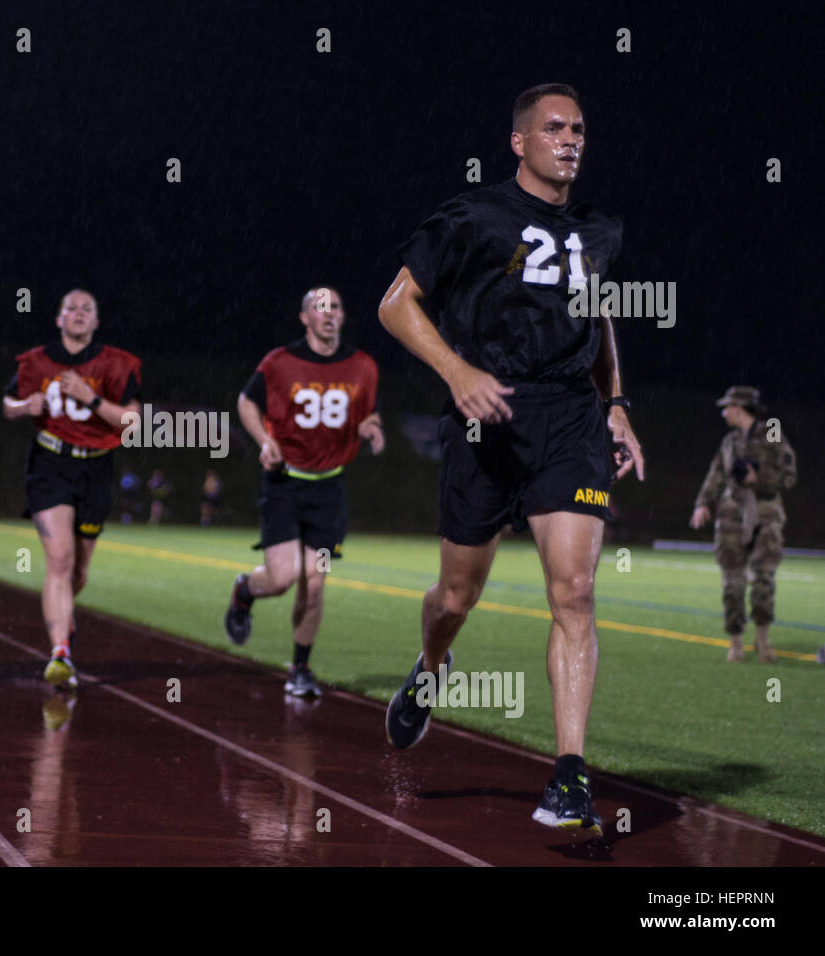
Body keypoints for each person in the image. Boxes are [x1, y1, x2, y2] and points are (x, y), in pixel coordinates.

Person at [377, 84, 643, 835]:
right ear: (520, 142)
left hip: (568, 417)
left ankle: (568, 779)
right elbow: (396, 304)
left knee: (576, 590)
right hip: (486, 414)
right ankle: (431, 667)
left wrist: (616, 405)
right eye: (554, 128)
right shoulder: (474, 215)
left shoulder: (598, 229)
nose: (571, 140)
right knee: (455, 601)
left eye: (580, 129)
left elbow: (597, 315)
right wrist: (458, 373)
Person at [223, 286, 384, 697]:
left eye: (336, 306)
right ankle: (245, 590)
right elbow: (246, 403)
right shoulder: (280, 362)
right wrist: (263, 440)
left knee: (314, 584)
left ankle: (300, 669)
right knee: (281, 579)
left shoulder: (363, 366)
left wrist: (372, 429)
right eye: (320, 306)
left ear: (343, 317)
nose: (329, 313)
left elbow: (369, 411)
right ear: (305, 317)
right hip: (283, 484)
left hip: (329, 490)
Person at [3, 289, 142, 690]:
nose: (79, 314)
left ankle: (64, 621)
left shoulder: (117, 364)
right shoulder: (36, 361)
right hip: (50, 463)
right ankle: (60, 652)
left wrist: (90, 398)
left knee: (78, 571)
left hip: (96, 467)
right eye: (71, 308)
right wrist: (21, 408)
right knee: (59, 560)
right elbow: (7, 402)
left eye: (87, 309)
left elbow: (132, 423)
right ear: (58, 318)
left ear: (96, 322)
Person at [689, 386, 796, 662]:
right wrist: (703, 504)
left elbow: (789, 475)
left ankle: (762, 639)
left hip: (766, 515)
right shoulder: (728, 442)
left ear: (739, 408)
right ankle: (735, 641)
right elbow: (715, 475)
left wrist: (758, 480)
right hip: (732, 516)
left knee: (763, 578)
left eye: (727, 407)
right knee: (732, 582)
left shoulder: (773, 431)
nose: (724, 413)